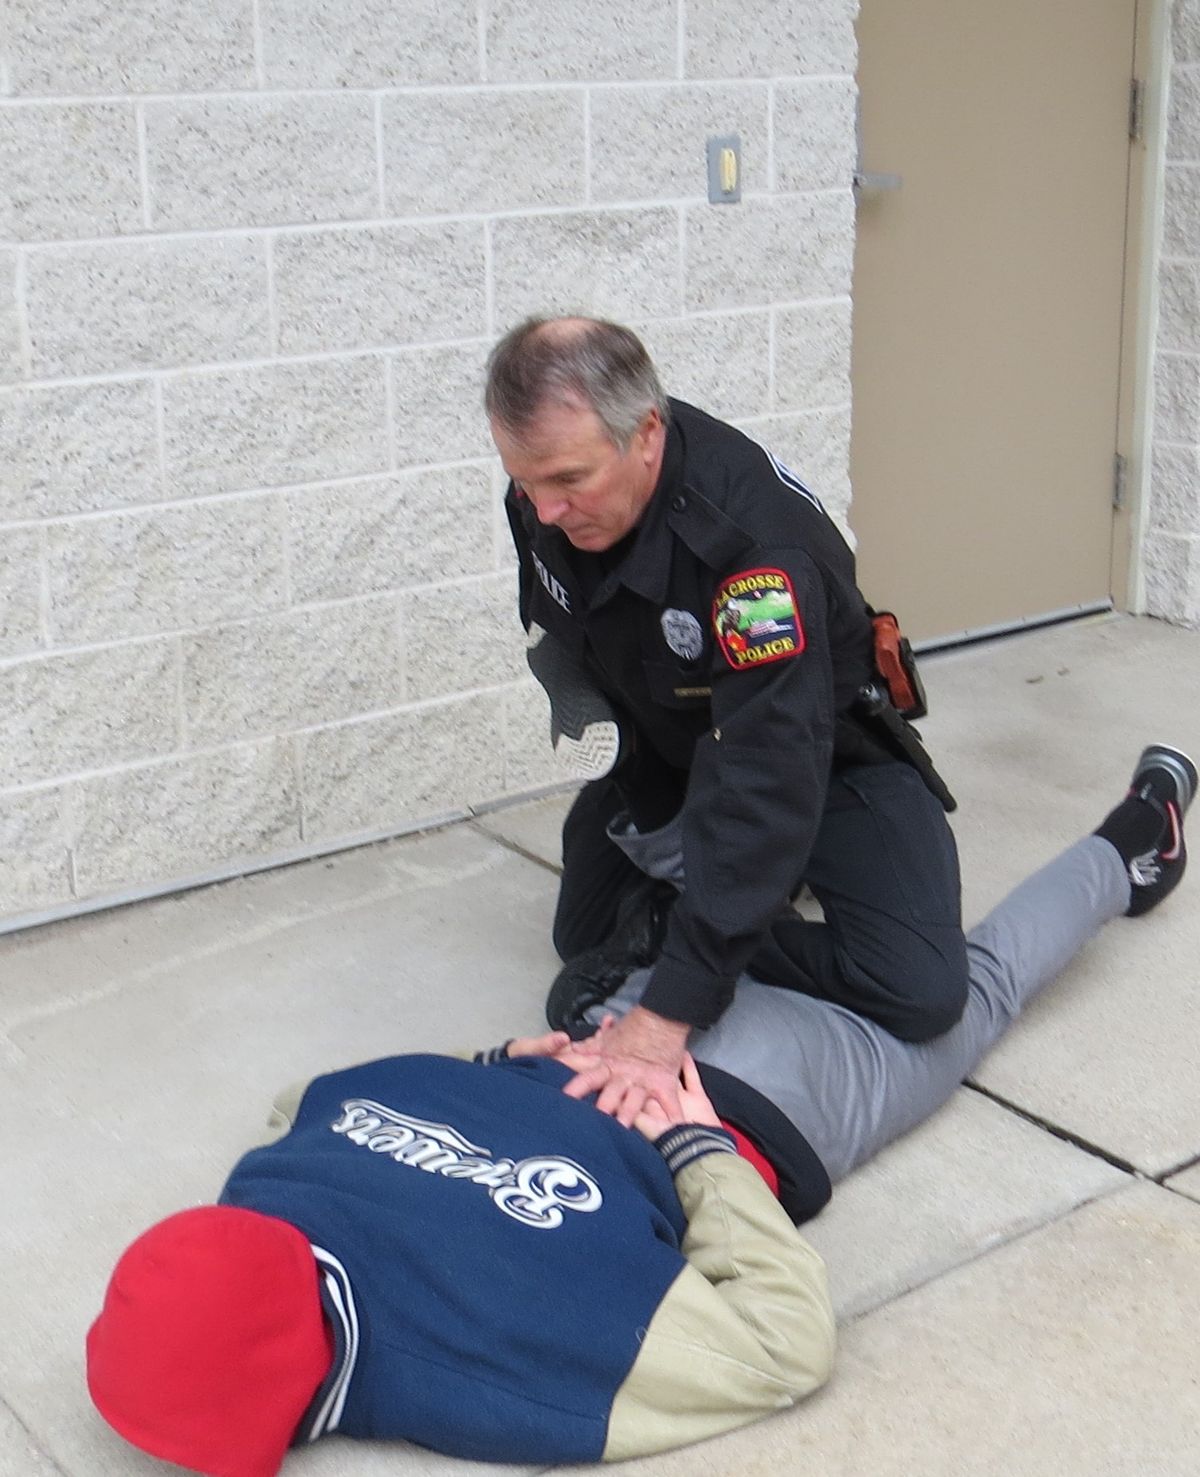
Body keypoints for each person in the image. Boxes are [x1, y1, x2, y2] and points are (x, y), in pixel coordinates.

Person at [85, 744, 1194, 1474]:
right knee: (826, 949)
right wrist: (495, 1064)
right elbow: (316, 1097)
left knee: (976, 987)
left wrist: (692, 1139)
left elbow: (784, 1346)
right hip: (631, 1021)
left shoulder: (482, 1363)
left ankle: (1140, 839)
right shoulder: (279, 1174)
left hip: (745, 1096)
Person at [487, 316, 968, 1126]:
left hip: (825, 756)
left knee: (917, 985)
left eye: (568, 480)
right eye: (526, 481)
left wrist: (671, 1006)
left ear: (646, 433)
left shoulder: (755, 563)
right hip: (675, 748)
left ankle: (704, 923)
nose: (545, 508)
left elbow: (766, 775)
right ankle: (695, 906)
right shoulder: (546, 492)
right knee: (582, 936)